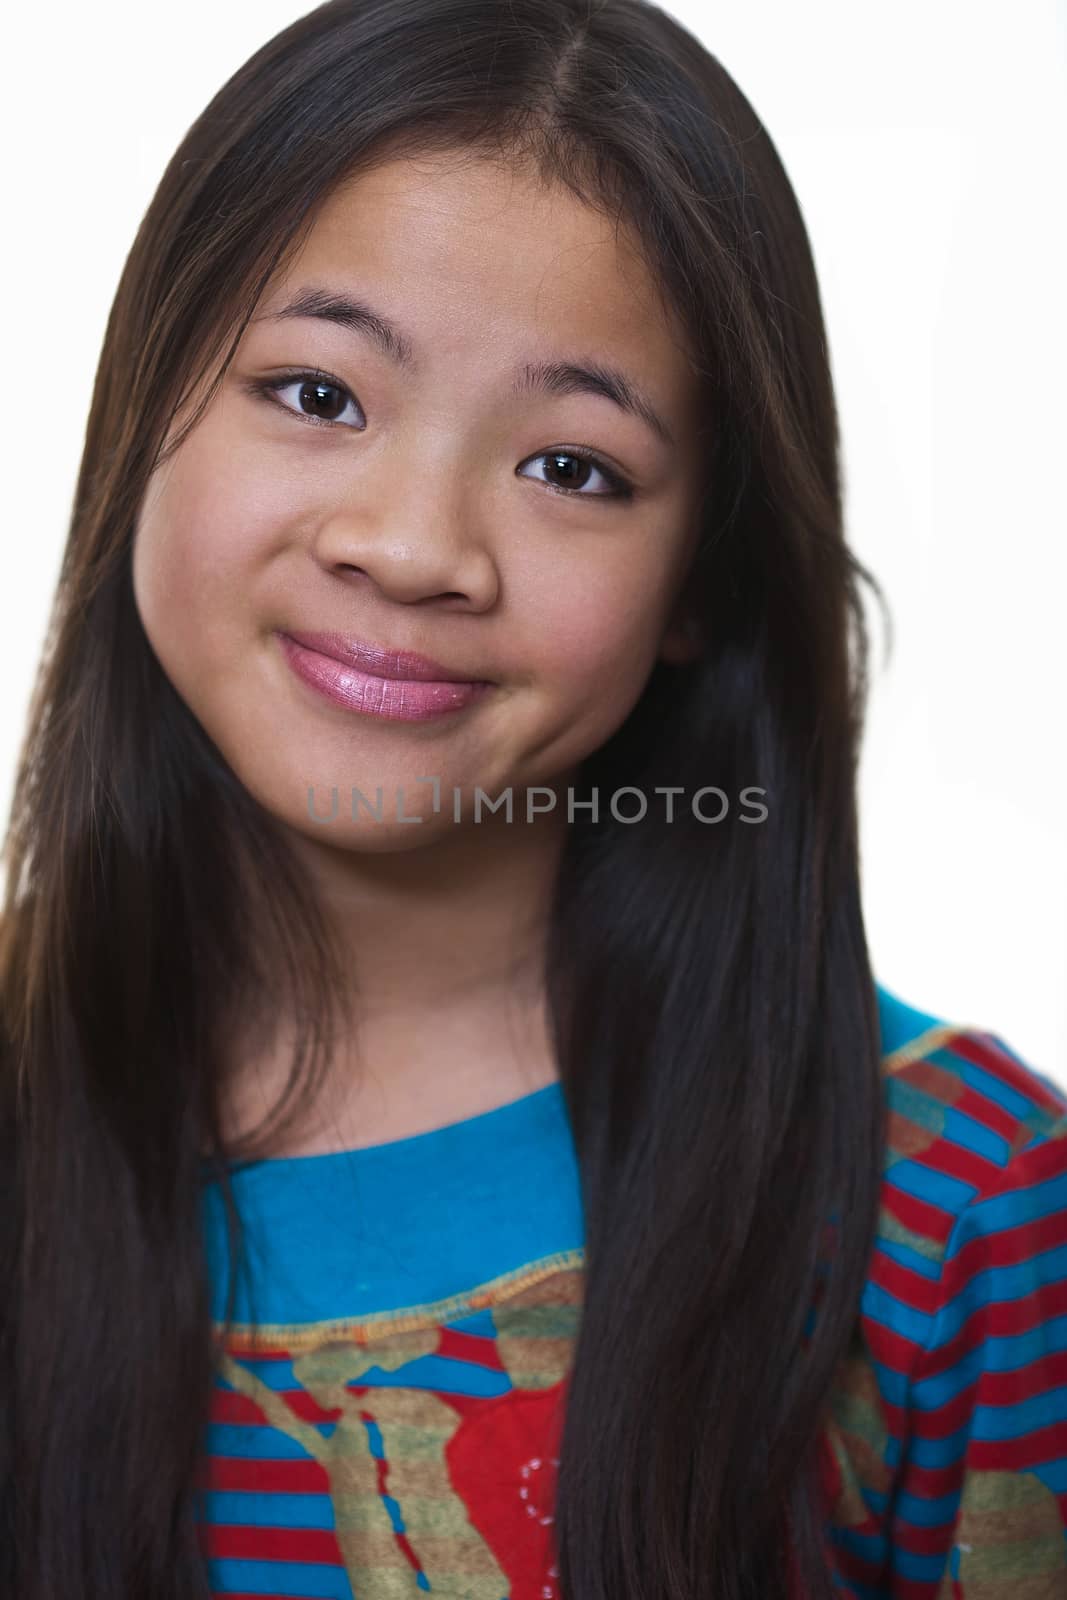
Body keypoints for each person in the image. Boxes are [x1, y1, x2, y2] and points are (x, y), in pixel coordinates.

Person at [1, 1, 1064, 1596]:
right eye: (318, 393)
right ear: (140, 406)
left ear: (700, 578)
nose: (416, 544)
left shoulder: (971, 1222)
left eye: (573, 467)